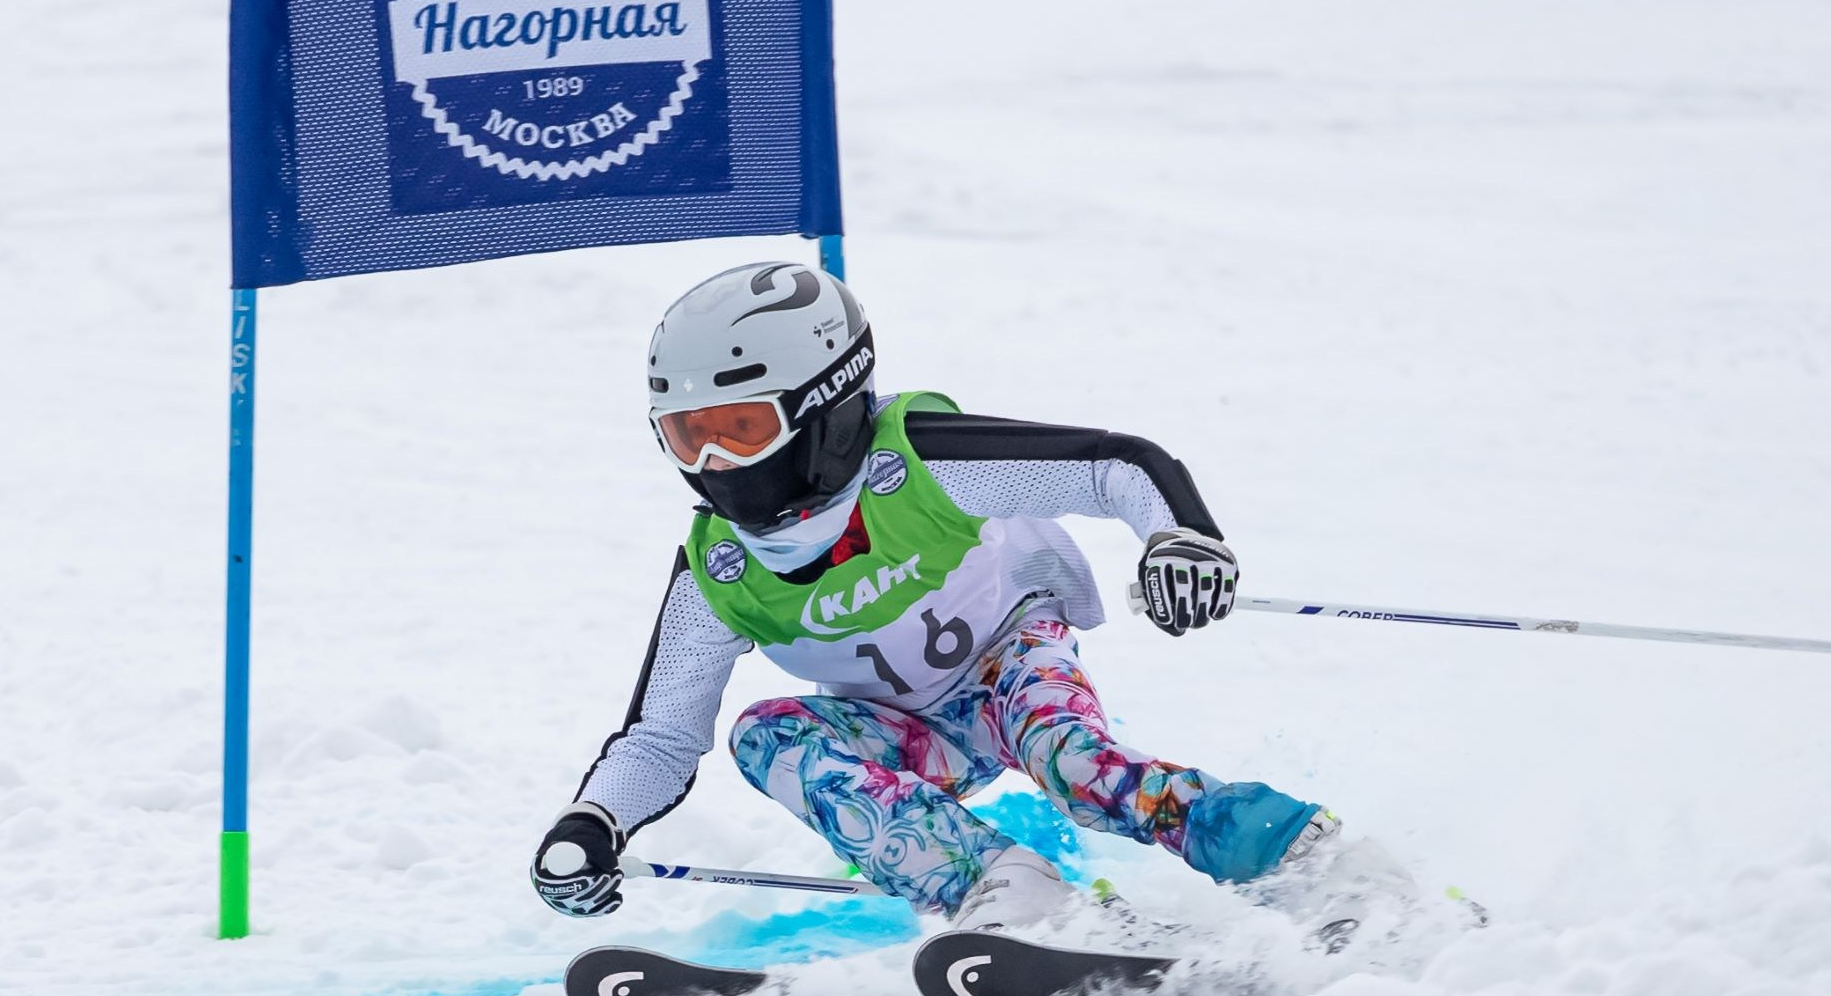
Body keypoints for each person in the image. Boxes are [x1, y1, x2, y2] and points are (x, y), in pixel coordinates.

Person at [530, 261, 1352, 935]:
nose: (712, 461)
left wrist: (1180, 538)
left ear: (824, 405)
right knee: (766, 735)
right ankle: (1008, 889)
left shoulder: (919, 463)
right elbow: (660, 736)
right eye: (685, 434)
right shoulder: (721, 571)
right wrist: (593, 822)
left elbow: (1116, 465)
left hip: (1010, 665)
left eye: (741, 429)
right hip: (912, 735)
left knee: (1073, 763)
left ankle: (1292, 852)